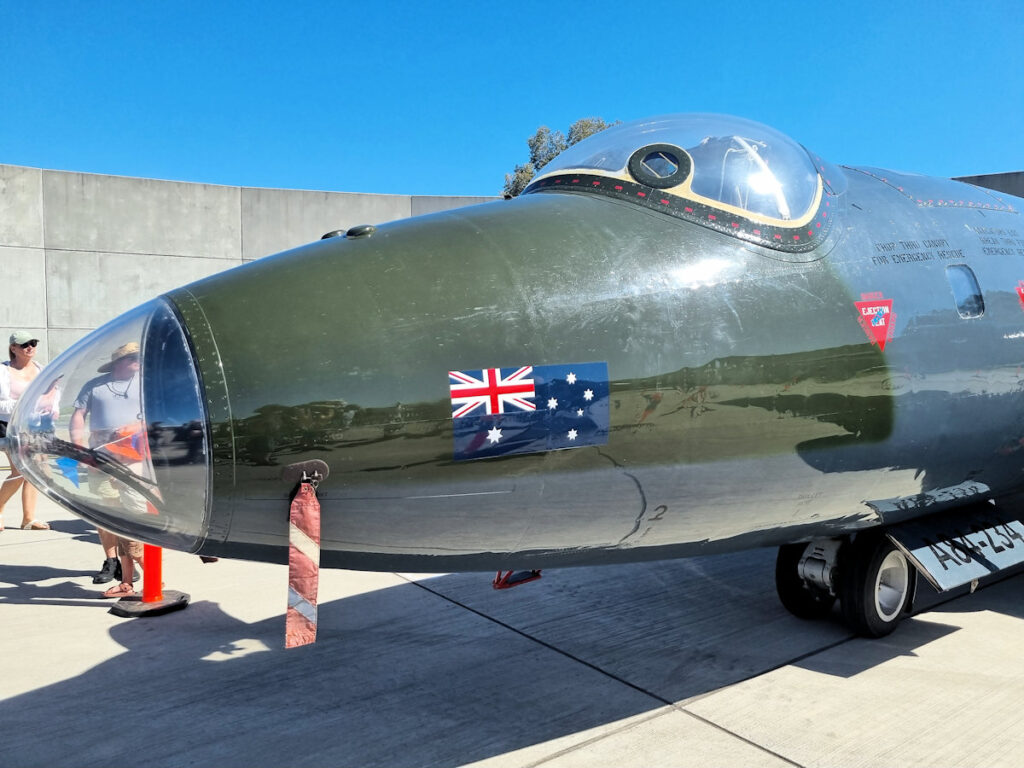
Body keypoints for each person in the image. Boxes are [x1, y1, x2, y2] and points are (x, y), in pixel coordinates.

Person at [70, 342, 146, 595]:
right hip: (101, 460)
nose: (138, 360)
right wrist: (78, 448)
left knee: (134, 515)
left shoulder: (144, 383)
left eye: (139, 356)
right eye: (132, 357)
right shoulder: (95, 386)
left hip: (135, 460)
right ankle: (118, 568)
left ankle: (151, 574)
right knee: (109, 515)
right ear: (118, 363)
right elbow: (78, 415)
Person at [0, 331, 58, 531]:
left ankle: (28, 519)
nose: (30, 347)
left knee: (32, 471)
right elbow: (1, 405)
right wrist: (26, 404)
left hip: (35, 426)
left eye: (33, 343)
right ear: (13, 348)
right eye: (24, 344)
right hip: (10, 426)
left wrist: (53, 409)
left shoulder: (41, 369)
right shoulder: (3, 371)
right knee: (19, 471)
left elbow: (52, 394)